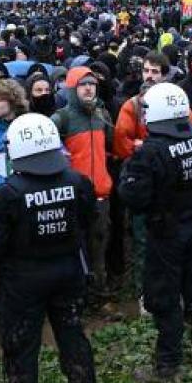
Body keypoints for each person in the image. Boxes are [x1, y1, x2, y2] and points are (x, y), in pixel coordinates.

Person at [0, 113, 97, 383]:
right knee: (71, 332)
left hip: (23, 278)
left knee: (20, 343)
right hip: (68, 269)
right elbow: (88, 219)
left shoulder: (6, 193)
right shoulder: (77, 181)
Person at [119, 83, 192, 383]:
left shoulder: (150, 152)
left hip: (166, 233)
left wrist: (128, 171)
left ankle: (167, 365)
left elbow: (133, 196)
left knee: (165, 296)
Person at [51, 67, 115, 301]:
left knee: (99, 246)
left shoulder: (101, 115)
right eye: (82, 84)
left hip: (100, 193)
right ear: (71, 89)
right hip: (73, 196)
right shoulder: (61, 118)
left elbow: (110, 145)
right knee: (73, 248)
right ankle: (74, 296)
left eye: (92, 84)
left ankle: (99, 291)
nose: (89, 88)